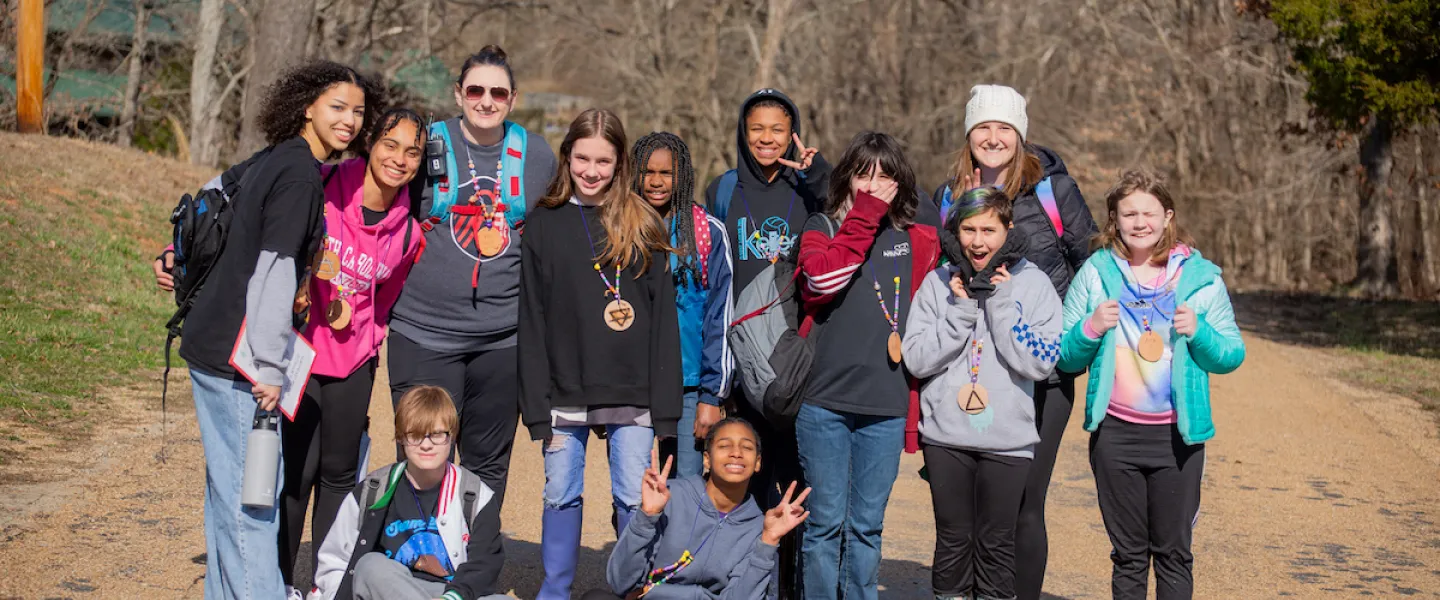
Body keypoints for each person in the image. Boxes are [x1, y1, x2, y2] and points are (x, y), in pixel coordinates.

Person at [164, 61, 378, 600]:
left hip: (208, 345)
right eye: (337, 108)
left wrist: (173, 252)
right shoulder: (300, 176)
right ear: (307, 106)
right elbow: (275, 270)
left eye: (357, 111)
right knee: (252, 504)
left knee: (228, 495)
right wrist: (268, 367)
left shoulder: (272, 158)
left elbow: (210, 193)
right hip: (239, 361)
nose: (349, 121)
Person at [931, 84, 1097, 600]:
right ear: (969, 135)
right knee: (975, 504)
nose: (994, 137)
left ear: (1020, 135)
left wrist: (1065, 340)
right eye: (983, 127)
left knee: (1024, 502)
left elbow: (1094, 269)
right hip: (976, 375)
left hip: (1043, 375)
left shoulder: (1053, 192)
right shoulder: (947, 196)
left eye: (1005, 127)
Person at [1057, 169, 1244, 600]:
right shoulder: (1095, 273)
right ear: (1114, 220)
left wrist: (1200, 331)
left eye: (1149, 213)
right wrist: (1090, 328)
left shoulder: (1200, 278)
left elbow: (1232, 355)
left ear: (1167, 217)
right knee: (1128, 556)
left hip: (1177, 437)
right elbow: (1066, 356)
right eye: (1128, 214)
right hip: (1115, 435)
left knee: (1174, 554)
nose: (1139, 223)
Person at [518, 108, 682, 600]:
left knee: (634, 497)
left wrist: (666, 413)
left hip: (632, 393)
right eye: (582, 158)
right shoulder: (544, 224)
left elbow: (663, 327)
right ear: (567, 157)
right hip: (563, 389)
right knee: (561, 494)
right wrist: (535, 408)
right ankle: (556, 589)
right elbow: (532, 318)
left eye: (604, 161)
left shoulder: (644, 222)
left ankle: (634, 589)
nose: (591, 171)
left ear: (619, 165)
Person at [385, 45, 557, 509]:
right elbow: (367, 196)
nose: (486, 100)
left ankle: (471, 564)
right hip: (423, 334)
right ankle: (413, 565)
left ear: (513, 99)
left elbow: (565, 231)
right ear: (458, 94)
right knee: (422, 454)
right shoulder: (424, 144)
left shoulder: (537, 155)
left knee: (487, 463)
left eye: (497, 92)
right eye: (475, 90)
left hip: (502, 342)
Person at [277, 108, 427, 593]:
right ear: (369, 144)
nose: (399, 159)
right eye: (390, 144)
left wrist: (370, 339)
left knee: (339, 477)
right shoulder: (321, 185)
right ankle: (277, 581)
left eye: (412, 151)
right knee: (295, 477)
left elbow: (385, 300)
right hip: (301, 354)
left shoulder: (408, 233)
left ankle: (327, 584)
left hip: (353, 364)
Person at [792, 132, 940, 600]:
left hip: (887, 406)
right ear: (845, 178)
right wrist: (865, 216)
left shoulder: (919, 240)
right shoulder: (822, 227)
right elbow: (820, 281)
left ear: (901, 182)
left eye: (885, 175)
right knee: (824, 524)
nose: (874, 185)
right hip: (823, 404)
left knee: (866, 527)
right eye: (863, 174)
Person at [901, 187, 1063, 600]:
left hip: (1007, 440)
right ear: (955, 231)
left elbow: (1041, 363)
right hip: (946, 436)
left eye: (989, 230)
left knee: (996, 545)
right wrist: (959, 313)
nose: (978, 241)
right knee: (953, 541)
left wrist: (1003, 305)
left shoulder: (1034, 283)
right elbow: (916, 358)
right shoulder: (938, 283)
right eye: (968, 229)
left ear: (1008, 230)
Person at [310, 385, 508, 600]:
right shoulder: (373, 491)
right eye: (415, 435)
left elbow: (483, 565)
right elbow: (334, 562)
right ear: (401, 438)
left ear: (452, 436)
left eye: (437, 435)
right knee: (371, 565)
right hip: (390, 591)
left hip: (449, 592)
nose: (426, 445)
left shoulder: (475, 494)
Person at [580, 418, 811, 600]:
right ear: (707, 459)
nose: (736, 453)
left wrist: (768, 541)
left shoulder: (757, 526)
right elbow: (621, 584)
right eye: (724, 445)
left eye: (747, 448)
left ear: (758, 462)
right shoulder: (670, 496)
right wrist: (646, 516)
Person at [631, 132, 733, 478]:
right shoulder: (620, 226)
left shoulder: (708, 232)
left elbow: (719, 319)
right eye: (648, 172)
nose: (656, 182)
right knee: (635, 485)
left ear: (683, 176)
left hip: (689, 386)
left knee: (686, 483)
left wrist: (711, 395)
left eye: (667, 173)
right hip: (633, 382)